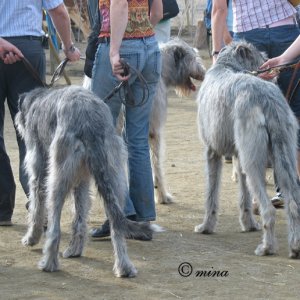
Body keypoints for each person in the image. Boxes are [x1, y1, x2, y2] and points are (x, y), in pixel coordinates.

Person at [211, 0, 300, 209]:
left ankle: (256, 194)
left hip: (249, 37)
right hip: (285, 30)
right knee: (292, 113)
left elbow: (219, 9)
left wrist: (217, 51)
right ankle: (292, 189)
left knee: (252, 118)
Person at [0, 1, 81, 226]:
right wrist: (68, 46)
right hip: (28, 49)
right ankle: (39, 205)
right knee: (33, 137)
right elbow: (59, 11)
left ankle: (2, 208)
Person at [90, 0, 163, 240]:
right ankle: (142, 217)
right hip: (150, 47)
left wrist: (114, 51)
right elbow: (158, 12)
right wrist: (139, 36)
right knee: (138, 138)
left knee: (103, 136)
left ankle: (121, 213)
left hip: (121, 49)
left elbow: (119, 3)